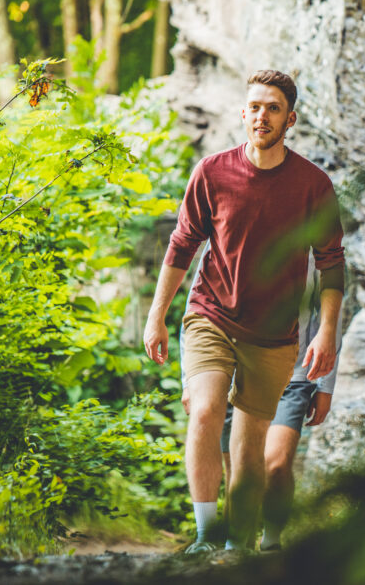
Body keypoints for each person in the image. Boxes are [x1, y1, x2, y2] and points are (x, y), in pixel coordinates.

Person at [143, 70, 345, 553]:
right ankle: (205, 536)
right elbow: (182, 244)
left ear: (289, 120)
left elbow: (331, 262)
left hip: (273, 335)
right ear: (242, 113)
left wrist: (327, 333)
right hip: (210, 313)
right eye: (255, 106)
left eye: (273, 108)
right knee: (206, 409)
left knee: (250, 444)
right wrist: (157, 315)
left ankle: (239, 547)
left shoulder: (313, 185)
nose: (262, 116)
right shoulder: (212, 172)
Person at [179, 251, 342, 551]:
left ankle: (271, 542)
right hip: (231, 370)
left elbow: (330, 319)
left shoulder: (312, 246)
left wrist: (325, 385)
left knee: (275, 463)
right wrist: (188, 379)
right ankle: (233, 548)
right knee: (236, 467)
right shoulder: (227, 235)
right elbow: (197, 306)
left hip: (295, 374)